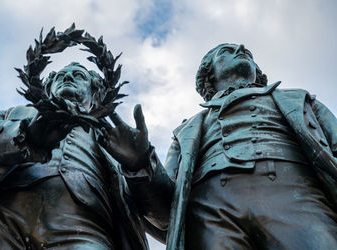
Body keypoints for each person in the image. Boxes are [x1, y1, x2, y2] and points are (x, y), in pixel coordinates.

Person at [103, 44, 337, 249]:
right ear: (210, 75)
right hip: (209, 215)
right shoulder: (186, 131)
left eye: (247, 52)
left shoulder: (299, 100)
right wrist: (141, 164)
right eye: (227, 51)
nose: (241, 49)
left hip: (295, 198)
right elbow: (167, 211)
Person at [0, 62, 148, 250]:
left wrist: (139, 165)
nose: (67, 78)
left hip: (84, 226)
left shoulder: (115, 140)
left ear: (95, 94)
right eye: (60, 76)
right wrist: (23, 134)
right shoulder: (17, 114)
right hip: (0, 215)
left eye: (78, 76)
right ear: (48, 89)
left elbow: (162, 219)